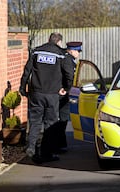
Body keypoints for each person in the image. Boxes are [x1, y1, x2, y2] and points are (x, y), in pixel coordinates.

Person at [19, 32, 72, 163]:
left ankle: (31, 147)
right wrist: (66, 88)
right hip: (52, 95)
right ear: (59, 42)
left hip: (36, 93)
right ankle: (47, 153)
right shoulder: (61, 54)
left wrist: (22, 87)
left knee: (35, 122)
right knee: (50, 124)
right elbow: (69, 73)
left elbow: (27, 71)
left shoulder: (36, 51)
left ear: (49, 40)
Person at [51, 41, 82, 153]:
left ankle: (60, 144)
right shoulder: (68, 60)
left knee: (60, 119)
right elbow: (69, 76)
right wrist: (68, 89)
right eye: (78, 51)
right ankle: (59, 144)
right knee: (62, 119)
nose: (79, 53)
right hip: (62, 93)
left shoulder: (66, 58)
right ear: (72, 50)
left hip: (58, 91)